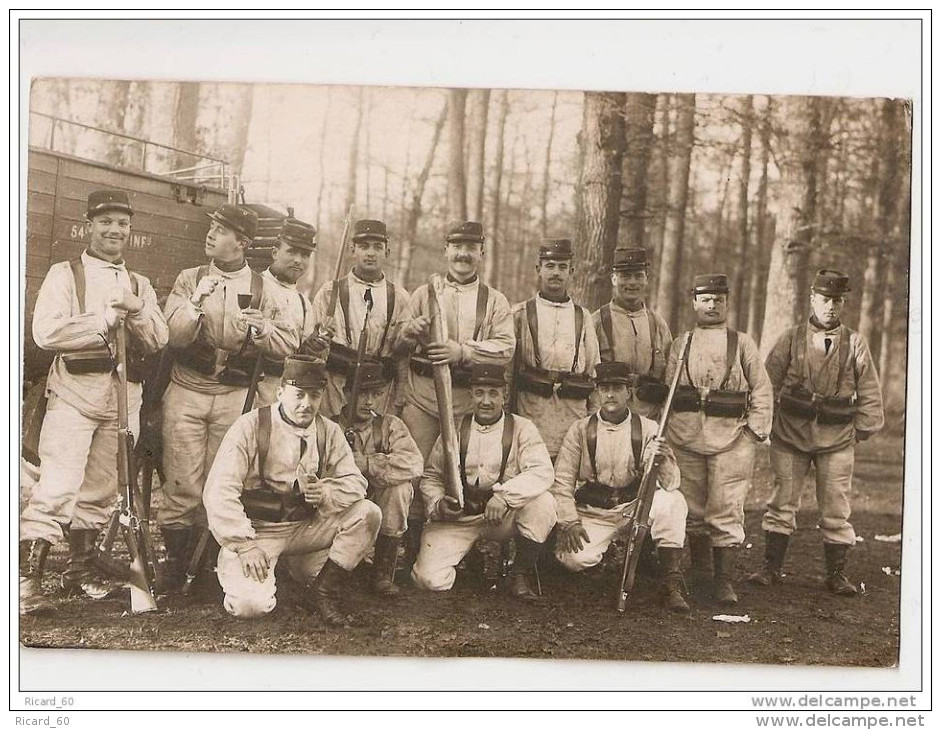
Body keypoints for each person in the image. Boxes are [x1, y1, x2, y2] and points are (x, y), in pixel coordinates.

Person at [20, 190, 168, 614]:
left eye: (122, 223)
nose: (114, 230)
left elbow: (159, 339)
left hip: (123, 401)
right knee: (58, 486)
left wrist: (136, 309)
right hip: (73, 396)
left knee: (100, 492)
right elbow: (46, 333)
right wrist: (101, 322)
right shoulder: (64, 275)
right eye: (105, 222)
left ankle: (79, 571)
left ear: (130, 230)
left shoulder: (139, 283)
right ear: (89, 226)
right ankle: (26, 582)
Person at [158, 203, 298, 593]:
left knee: (223, 480)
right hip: (187, 390)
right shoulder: (190, 278)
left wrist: (263, 330)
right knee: (182, 479)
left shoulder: (264, 288)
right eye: (212, 228)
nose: (210, 235)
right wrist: (195, 304)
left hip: (236, 396)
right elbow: (173, 336)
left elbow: (288, 343)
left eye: (220, 230)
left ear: (243, 243)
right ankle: (175, 564)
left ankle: (207, 565)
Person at [203, 355, 381, 625]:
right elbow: (219, 490)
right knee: (250, 606)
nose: (306, 404)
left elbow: (356, 482)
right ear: (280, 392)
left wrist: (327, 493)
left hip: (306, 526)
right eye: (299, 394)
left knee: (368, 513)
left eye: (315, 395)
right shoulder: (251, 426)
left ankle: (323, 592)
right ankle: (250, 569)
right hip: (260, 530)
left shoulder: (328, 431)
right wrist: (244, 544)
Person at [749, 269, 884, 596]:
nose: (831, 306)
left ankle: (836, 574)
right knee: (782, 501)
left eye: (837, 300)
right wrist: (767, 424)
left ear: (843, 303)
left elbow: (870, 392)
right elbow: (767, 384)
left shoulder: (855, 343)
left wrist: (861, 431)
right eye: (825, 299)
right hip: (791, 435)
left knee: (836, 506)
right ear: (812, 298)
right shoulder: (791, 338)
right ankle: (771, 568)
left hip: (837, 438)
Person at [394, 221, 515, 556]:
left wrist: (462, 352)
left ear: (481, 253)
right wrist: (410, 331)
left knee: (461, 468)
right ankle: (408, 542)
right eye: (457, 247)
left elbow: (505, 347)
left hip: (466, 401)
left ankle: (463, 545)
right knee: (415, 467)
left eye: (471, 248)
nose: (463, 254)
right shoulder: (424, 293)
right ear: (446, 250)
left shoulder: (495, 301)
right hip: (422, 395)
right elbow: (396, 343)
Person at [664, 273, 773, 605]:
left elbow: (763, 389)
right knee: (692, 507)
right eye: (706, 300)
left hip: (731, 438)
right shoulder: (681, 343)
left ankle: (724, 580)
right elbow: (670, 390)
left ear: (727, 303)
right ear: (695, 303)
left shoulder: (742, 343)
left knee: (726, 507)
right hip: (686, 436)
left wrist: (754, 432)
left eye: (718, 300)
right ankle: (700, 573)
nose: (712, 305)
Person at [551, 362, 690, 614]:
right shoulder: (580, 430)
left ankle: (671, 580)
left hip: (634, 507)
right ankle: (603, 567)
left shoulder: (648, 429)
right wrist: (570, 522)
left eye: (618, 388)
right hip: (596, 511)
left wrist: (662, 459)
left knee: (673, 501)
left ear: (629, 392)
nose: (611, 395)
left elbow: (671, 483)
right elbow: (562, 481)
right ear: (596, 392)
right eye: (605, 389)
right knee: (575, 559)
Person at [411, 364, 557, 601]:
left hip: (503, 516)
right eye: (480, 393)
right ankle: (466, 558)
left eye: (493, 393)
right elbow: (431, 476)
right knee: (427, 580)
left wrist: (504, 496)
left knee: (544, 502)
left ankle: (519, 572)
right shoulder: (455, 428)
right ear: (471, 395)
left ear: (504, 395)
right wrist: (438, 504)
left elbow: (542, 471)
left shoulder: (522, 428)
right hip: (462, 517)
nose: (486, 401)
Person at [508, 238, 600, 460]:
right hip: (530, 414)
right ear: (539, 270)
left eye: (562, 267)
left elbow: (594, 371)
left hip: (572, 416)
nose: (556, 273)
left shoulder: (583, 316)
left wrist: (594, 422)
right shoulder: (519, 314)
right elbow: (507, 372)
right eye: (550, 266)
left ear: (571, 271)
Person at [310, 219, 411, 420]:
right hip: (336, 386)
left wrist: (399, 396)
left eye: (377, 247)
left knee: (370, 443)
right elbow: (312, 347)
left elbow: (402, 357)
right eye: (364, 247)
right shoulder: (331, 292)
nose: (370, 253)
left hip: (377, 391)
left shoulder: (399, 297)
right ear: (352, 250)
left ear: (387, 253)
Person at [337, 362, 424, 595]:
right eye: (362, 393)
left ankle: (383, 570)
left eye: (376, 394)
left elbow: (414, 464)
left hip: (376, 501)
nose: (369, 402)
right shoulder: (330, 426)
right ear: (347, 393)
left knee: (401, 489)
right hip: (339, 506)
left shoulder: (390, 425)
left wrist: (367, 463)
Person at [592, 247, 673, 420]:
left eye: (638, 276)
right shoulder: (597, 321)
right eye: (625, 276)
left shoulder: (658, 324)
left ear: (647, 279)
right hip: (607, 415)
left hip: (648, 416)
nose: (632, 283)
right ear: (614, 279)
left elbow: (669, 376)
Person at [255, 217, 318, 407]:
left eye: (305, 255)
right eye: (291, 252)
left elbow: (301, 352)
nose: (298, 260)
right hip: (252, 387)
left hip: (286, 395)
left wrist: (314, 347)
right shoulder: (255, 285)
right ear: (275, 252)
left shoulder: (304, 303)